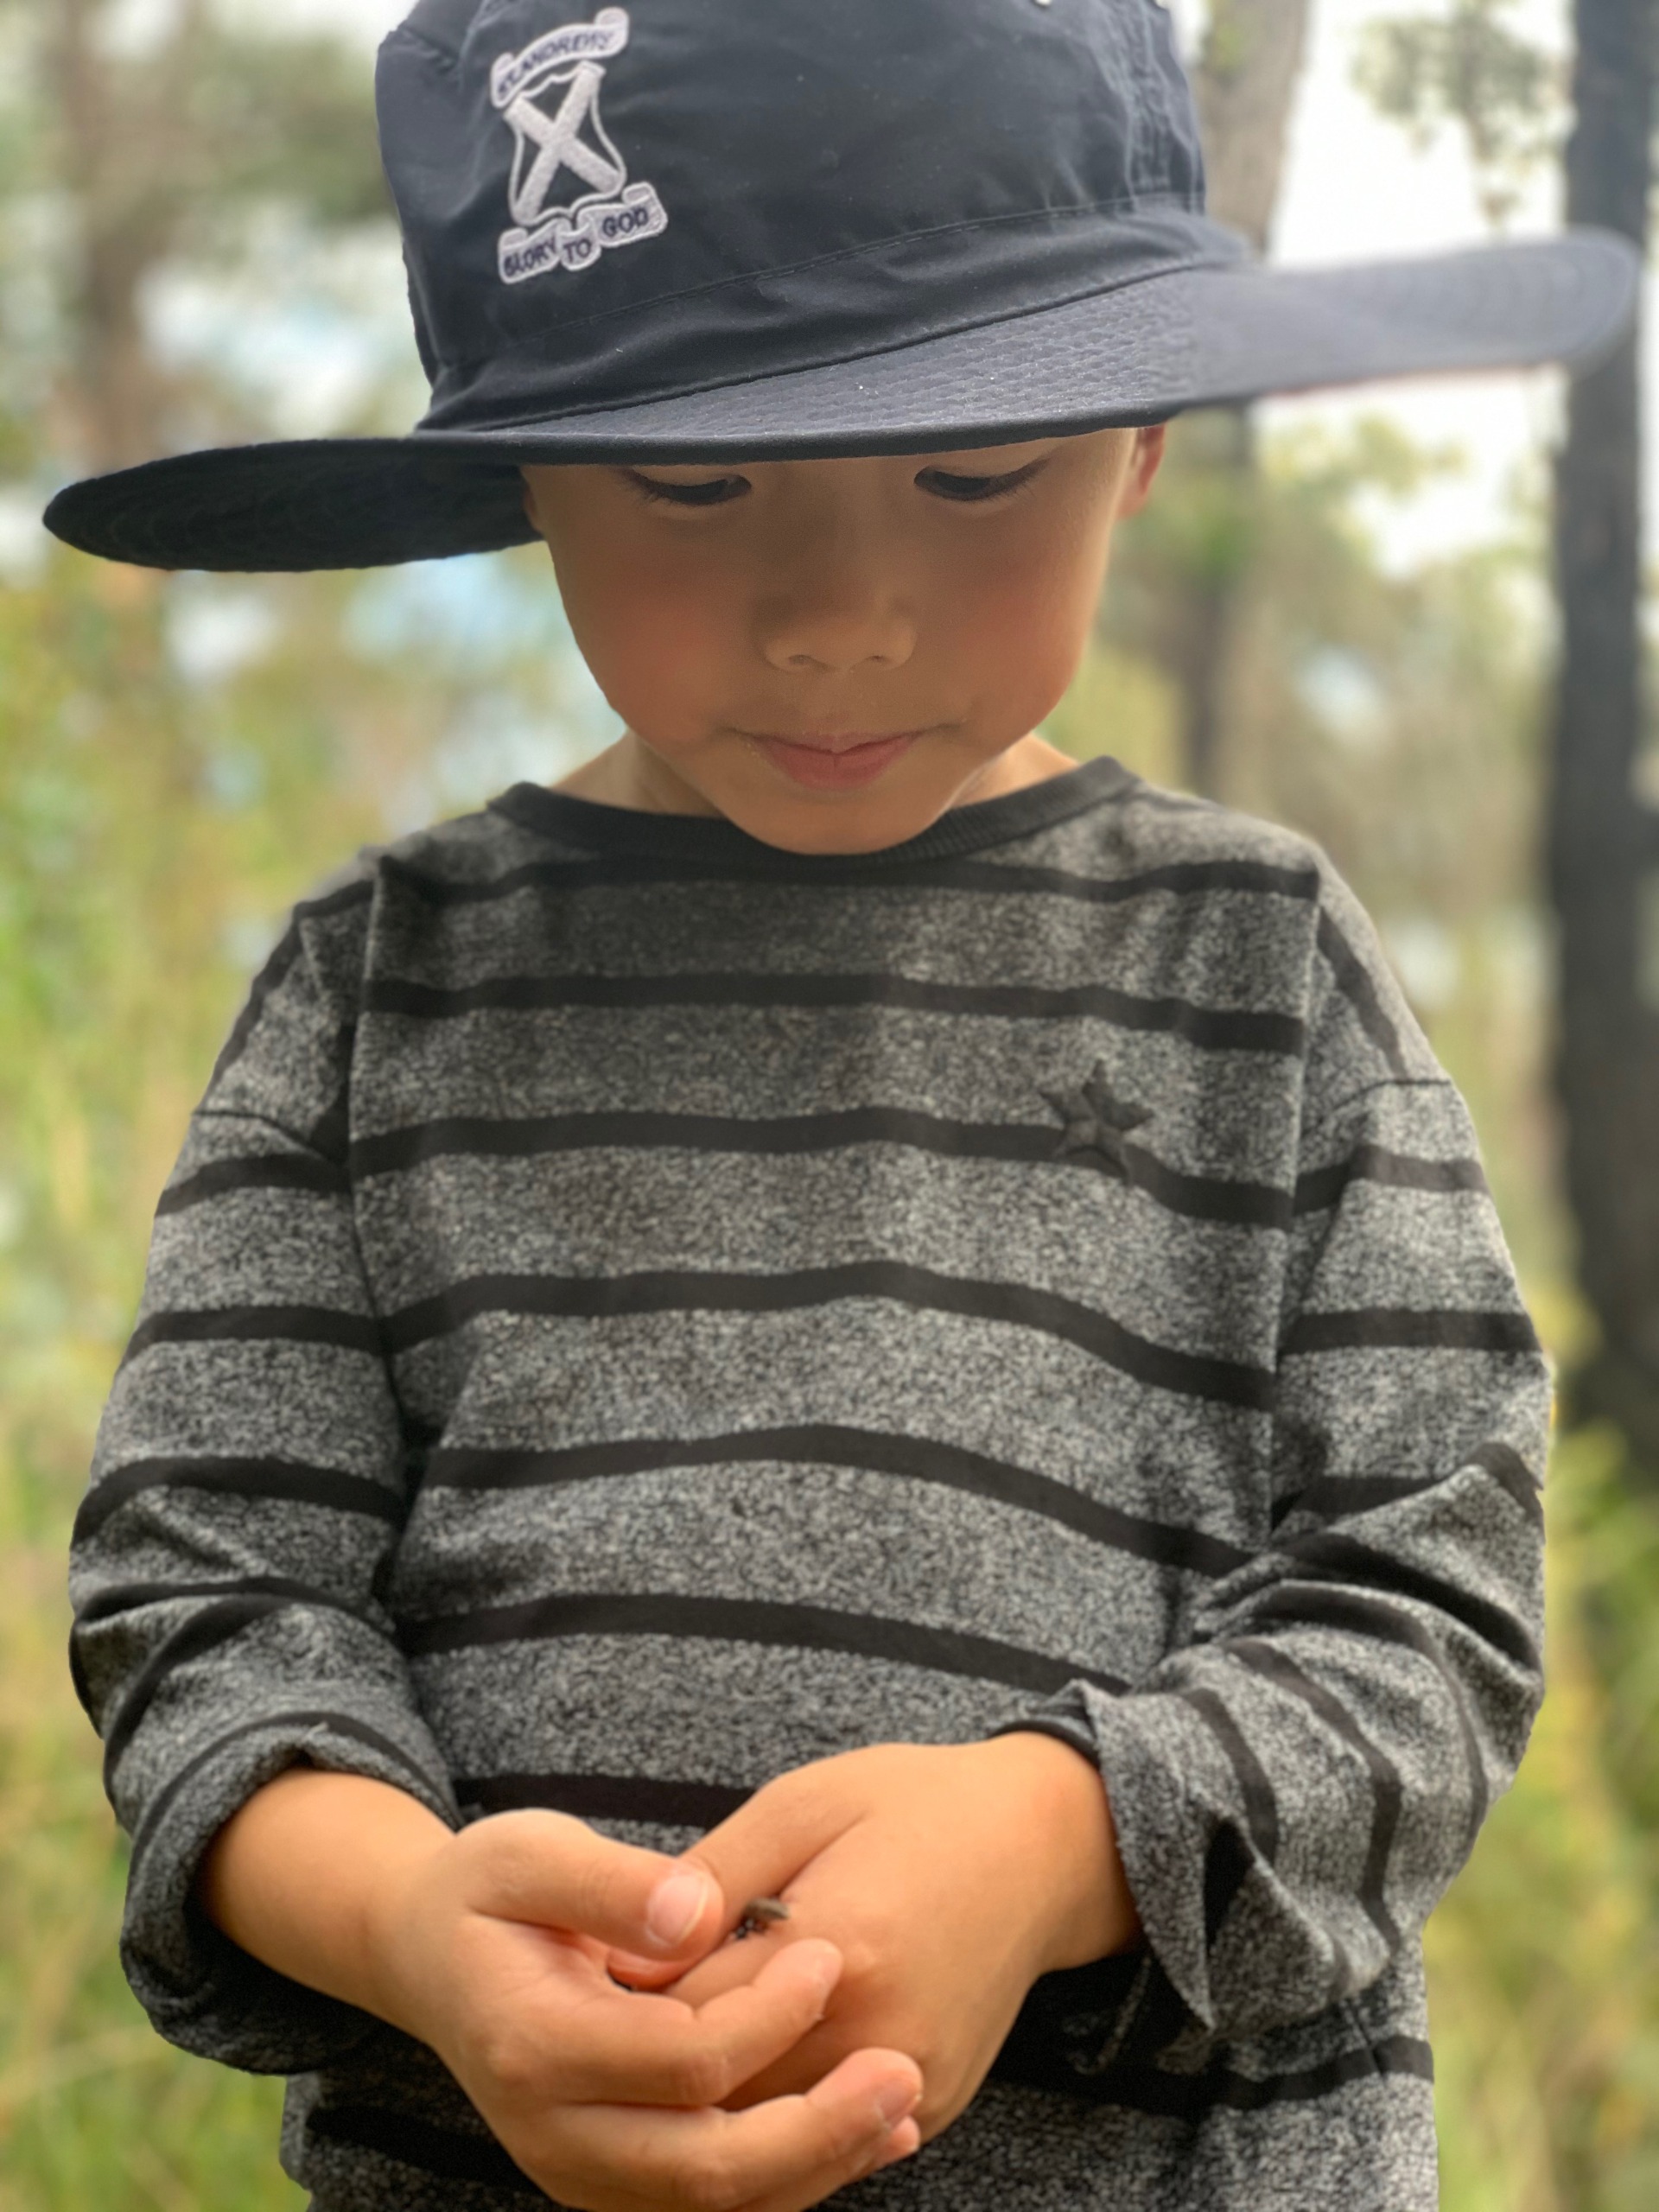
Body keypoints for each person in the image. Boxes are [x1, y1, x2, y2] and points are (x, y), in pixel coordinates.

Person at [52, 2, 1636, 2209]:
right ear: (534, 476)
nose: (837, 615)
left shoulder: (1259, 970)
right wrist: (405, 1913)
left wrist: (1061, 1837)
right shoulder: (378, 988)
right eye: (695, 480)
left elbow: (1429, 1602)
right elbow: (207, 1602)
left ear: (1143, 440)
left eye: (978, 472)